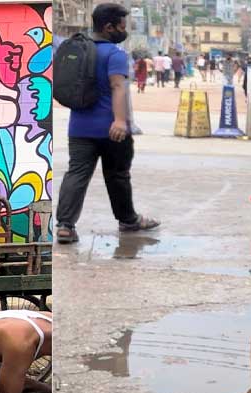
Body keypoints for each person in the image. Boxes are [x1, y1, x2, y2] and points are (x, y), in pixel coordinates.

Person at [54, 3, 159, 245]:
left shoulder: (79, 48)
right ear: (109, 27)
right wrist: (121, 121)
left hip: (79, 128)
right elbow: (118, 86)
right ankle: (128, 220)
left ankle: (65, 226)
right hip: (112, 129)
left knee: (77, 174)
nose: (125, 30)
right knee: (118, 175)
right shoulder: (114, 54)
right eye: (122, 26)